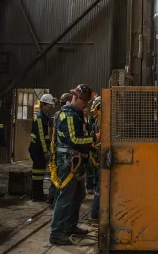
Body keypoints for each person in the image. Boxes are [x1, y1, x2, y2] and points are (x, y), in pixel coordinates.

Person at [49, 84, 97, 245]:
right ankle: (56, 234)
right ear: (75, 97)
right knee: (65, 198)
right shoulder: (68, 115)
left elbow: (80, 137)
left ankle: (70, 226)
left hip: (77, 161)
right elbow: (74, 140)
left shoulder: (77, 114)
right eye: (85, 101)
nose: (86, 105)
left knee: (78, 195)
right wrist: (95, 139)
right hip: (68, 163)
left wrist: (90, 147)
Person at [29, 93, 56, 201]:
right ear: (43, 105)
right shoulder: (40, 118)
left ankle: (38, 193)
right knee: (37, 173)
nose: (50, 108)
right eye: (49, 106)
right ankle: (37, 195)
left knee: (40, 172)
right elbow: (41, 137)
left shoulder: (45, 116)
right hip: (38, 148)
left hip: (40, 147)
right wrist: (46, 151)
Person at [87, 95, 101, 221]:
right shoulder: (101, 118)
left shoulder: (95, 118)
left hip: (97, 153)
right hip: (100, 153)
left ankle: (96, 211)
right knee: (100, 184)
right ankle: (96, 212)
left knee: (98, 183)